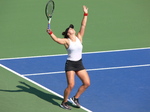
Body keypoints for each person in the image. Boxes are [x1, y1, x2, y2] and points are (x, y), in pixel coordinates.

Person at [46, 5, 90, 110]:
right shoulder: (66, 41)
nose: (72, 29)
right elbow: (57, 39)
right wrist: (50, 33)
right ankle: (64, 102)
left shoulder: (79, 37)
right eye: (71, 28)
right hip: (70, 65)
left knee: (87, 83)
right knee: (71, 85)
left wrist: (85, 13)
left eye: (72, 28)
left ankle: (75, 98)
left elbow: (83, 25)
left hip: (79, 63)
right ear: (68, 33)